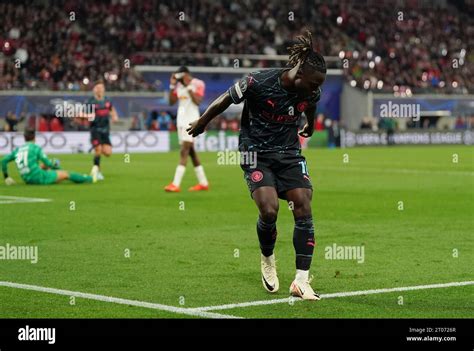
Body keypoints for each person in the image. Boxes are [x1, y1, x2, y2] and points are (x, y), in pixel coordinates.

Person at [188, 31, 325, 300]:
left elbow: (310, 105)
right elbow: (226, 99)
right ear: (299, 75)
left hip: (288, 154)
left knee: (303, 203)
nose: (315, 89)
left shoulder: (310, 90)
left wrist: (309, 123)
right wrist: (203, 122)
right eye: (312, 84)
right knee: (269, 210)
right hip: (255, 153)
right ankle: (267, 257)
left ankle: (300, 281)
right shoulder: (257, 81)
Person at [164, 66, 209, 192]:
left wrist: (188, 86)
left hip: (191, 122)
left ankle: (175, 184)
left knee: (184, 151)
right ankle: (203, 183)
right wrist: (172, 85)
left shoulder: (198, 83)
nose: (179, 78)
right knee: (191, 152)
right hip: (181, 122)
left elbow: (198, 101)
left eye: (181, 76)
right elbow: (171, 102)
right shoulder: (178, 86)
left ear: (187, 74)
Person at [2, 128, 95, 185]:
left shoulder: (18, 149)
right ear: (34, 137)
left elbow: (3, 161)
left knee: (43, 166)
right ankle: (90, 178)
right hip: (38, 177)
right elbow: (49, 163)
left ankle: (53, 173)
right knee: (66, 174)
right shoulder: (35, 148)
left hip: (26, 178)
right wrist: (58, 167)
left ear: (24, 138)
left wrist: (6, 177)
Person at [84, 80, 119, 180]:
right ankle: (97, 171)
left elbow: (112, 109)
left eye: (101, 88)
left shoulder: (107, 100)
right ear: (94, 90)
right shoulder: (90, 102)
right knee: (98, 150)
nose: (99, 90)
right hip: (95, 129)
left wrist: (114, 116)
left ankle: (96, 149)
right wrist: (88, 116)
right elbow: (83, 114)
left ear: (104, 89)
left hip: (105, 130)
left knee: (108, 153)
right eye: (97, 88)